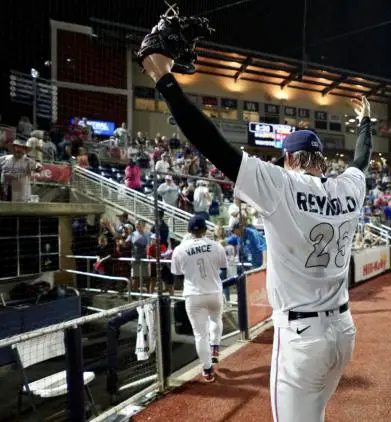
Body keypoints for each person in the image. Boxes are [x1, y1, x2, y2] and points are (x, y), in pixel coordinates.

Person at [141, 52, 372, 422]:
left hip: (302, 333)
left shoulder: (282, 183)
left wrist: (167, 82)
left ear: (290, 158)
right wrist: (365, 123)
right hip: (343, 331)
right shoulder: (348, 186)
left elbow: (211, 143)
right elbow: (361, 160)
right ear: (319, 158)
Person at [170, 215, 227, 382]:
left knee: (200, 335)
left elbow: (177, 275)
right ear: (205, 230)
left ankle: (208, 369)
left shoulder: (179, 249)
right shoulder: (216, 246)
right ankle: (215, 345)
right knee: (216, 319)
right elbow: (223, 268)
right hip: (214, 291)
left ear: (189, 230)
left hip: (193, 295)